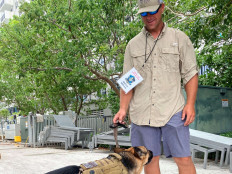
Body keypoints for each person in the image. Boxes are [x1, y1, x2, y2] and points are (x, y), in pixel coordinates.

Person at [113, 0, 198, 174]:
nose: (149, 17)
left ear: (162, 8)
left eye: (152, 11)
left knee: (183, 158)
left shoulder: (179, 38)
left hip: (173, 109)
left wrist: (190, 104)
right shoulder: (133, 45)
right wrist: (122, 109)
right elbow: (128, 81)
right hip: (142, 112)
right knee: (149, 160)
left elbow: (190, 74)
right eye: (144, 14)